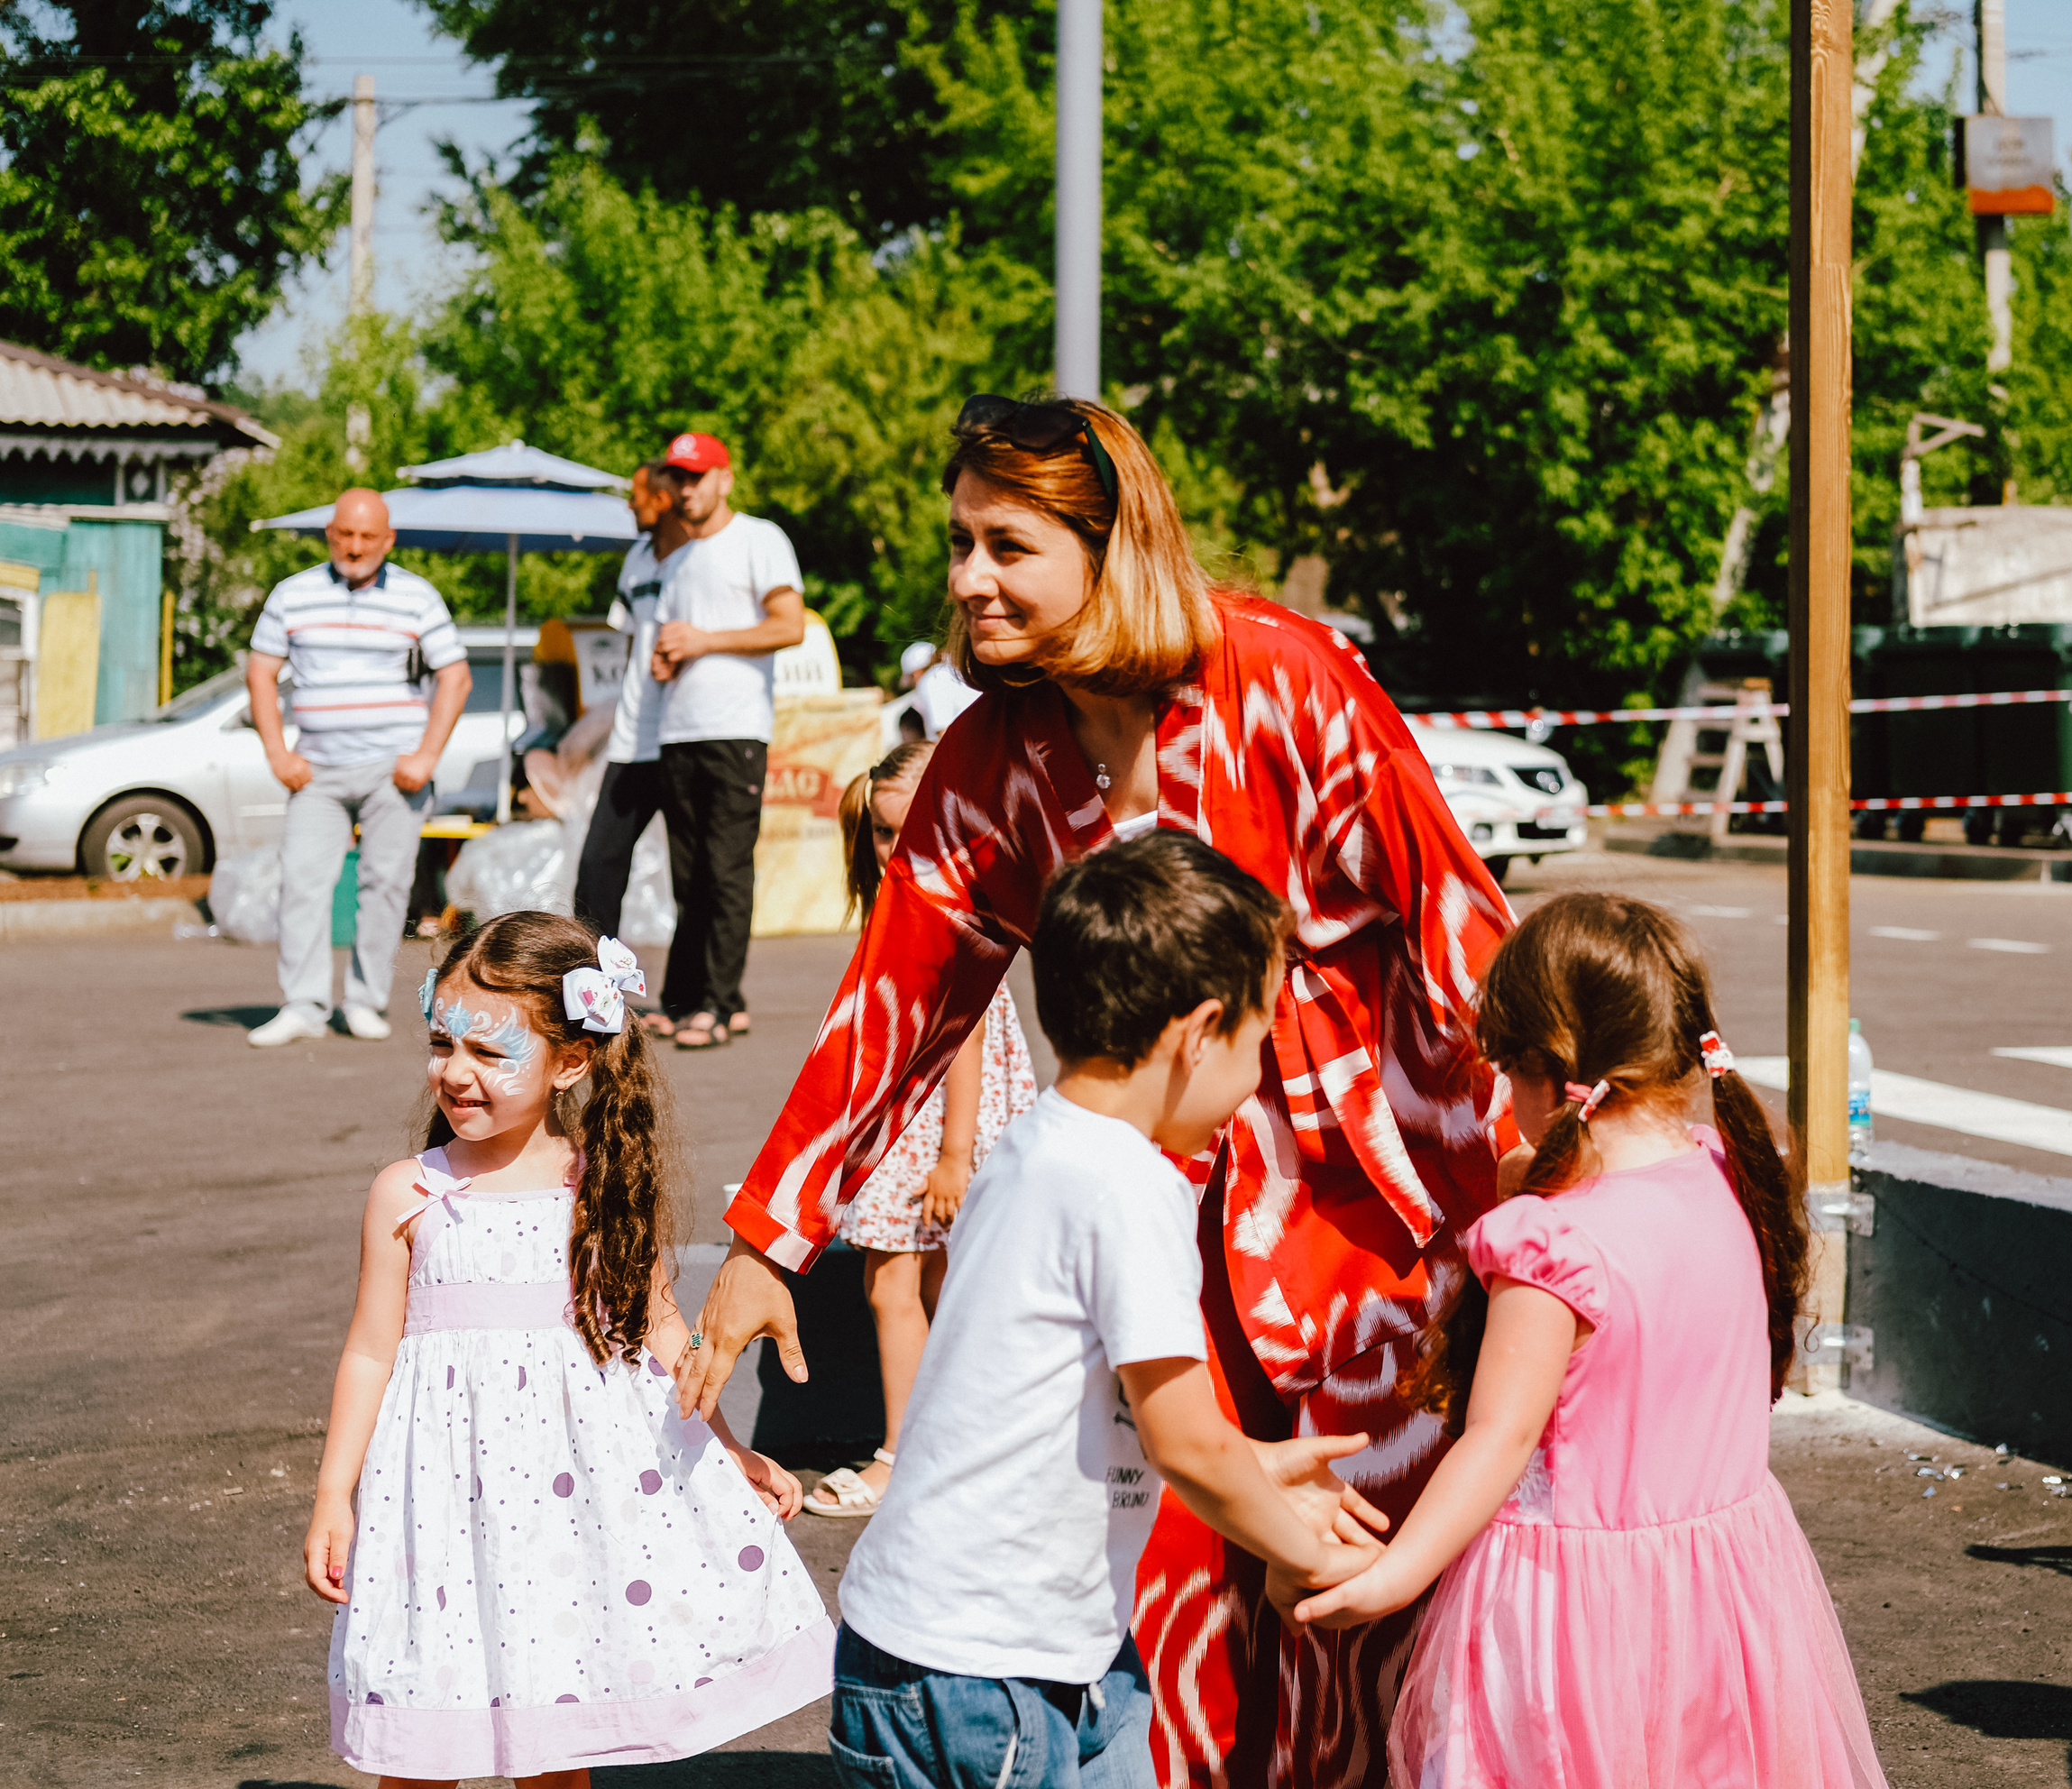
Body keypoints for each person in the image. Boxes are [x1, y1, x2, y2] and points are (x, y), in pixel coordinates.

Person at [679, 395, 1517, 1788]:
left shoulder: (1283, 676)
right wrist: (772, 1233)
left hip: (1367, 1207)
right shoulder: (988, 760)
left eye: (1007, 545)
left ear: (1109, 542)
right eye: (960, 543)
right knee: (1171, 1553)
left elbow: (1457, 923)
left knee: (1365, 1552)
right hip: (1149, 1198)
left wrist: (1627, 1140)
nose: (966, 580)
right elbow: (896, 1001)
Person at [1288, 893, 1888, 1789]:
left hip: (1568, 1620)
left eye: (1501, 1068)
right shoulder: (1730, 1174)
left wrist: (1392, 1577)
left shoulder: (1551, 1247)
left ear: (1544, 1070)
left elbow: (1497, 1438)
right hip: (1727, 1604)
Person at [827, 832, 1388, 1789]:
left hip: (1011, 1650)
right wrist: (1306, 1556)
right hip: (987, 1675)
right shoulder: (1127, 1185)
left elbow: (1065, 1400)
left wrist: (1253, 1461)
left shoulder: (1036, 1149)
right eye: (1258, 1042)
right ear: (1198, 1031)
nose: (1255, 1079)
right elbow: (1183, 1443)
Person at [302, 911, 834, 1785]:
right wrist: (334, 1492)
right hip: (435, 1505)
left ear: (571, 1061)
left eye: (490, 1050)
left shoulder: (598, 1185)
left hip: (564, 1510)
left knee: (558, 1735)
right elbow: (369, 1349)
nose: (456, 1072)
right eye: (443, 1042)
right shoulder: (406, 1194)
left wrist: (729, 1450)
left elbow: (661, 1327)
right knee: (421, 1733)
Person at [802, 743, 1039, 1519]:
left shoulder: (941, 907)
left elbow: (961, 1032)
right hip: (924, 1109)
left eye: (908, 829)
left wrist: (954, 1153)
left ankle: (901, 1458)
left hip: (940, 1114)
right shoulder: (910, 902)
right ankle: (953, 1451)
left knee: (894, 1282)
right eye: (879, 832)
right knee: (934, 1282)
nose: (893, 847)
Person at [244, 489, 472, 1049]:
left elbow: (456, 676)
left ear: (388, 540)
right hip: (315, 769)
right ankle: (303, 1005)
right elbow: (260, 672)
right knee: (301, 882)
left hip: (392, 770)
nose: (356, 546)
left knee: (385, 889)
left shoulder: (418, 596)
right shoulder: (291, 594)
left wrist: (426, 756)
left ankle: (365, 1003)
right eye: (346, 534)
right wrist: (278, 752)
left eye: (369, 536)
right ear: (330, 534)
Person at [647, 432, 805, 1050]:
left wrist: (704, 642)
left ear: (724, 479)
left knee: (726, 870)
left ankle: (713, 1004)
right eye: (678, 478)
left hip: (735, 729)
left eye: (696, 476)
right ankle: (699, 998)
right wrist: (667, 660)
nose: (686, 489)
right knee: (688, 878)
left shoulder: (759, 538)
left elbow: (789, 624)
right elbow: (676, 639)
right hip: (678, 727)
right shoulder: (679, 555)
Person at [570, 463, 687, 956]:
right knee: (598, 862)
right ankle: (588, 977)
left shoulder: (700, 557)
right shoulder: (637, 558)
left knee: (694, 872)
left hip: (688, 732)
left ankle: (697, 996)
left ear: (662, 500)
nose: (629, 506)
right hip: (635, 734)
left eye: (637, 496)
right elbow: (629, 642)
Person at [895, 639, 979, 742]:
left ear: (916, 672)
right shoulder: (953, 670)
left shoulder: (932, 680)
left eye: (911, 679)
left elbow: (943, 732)